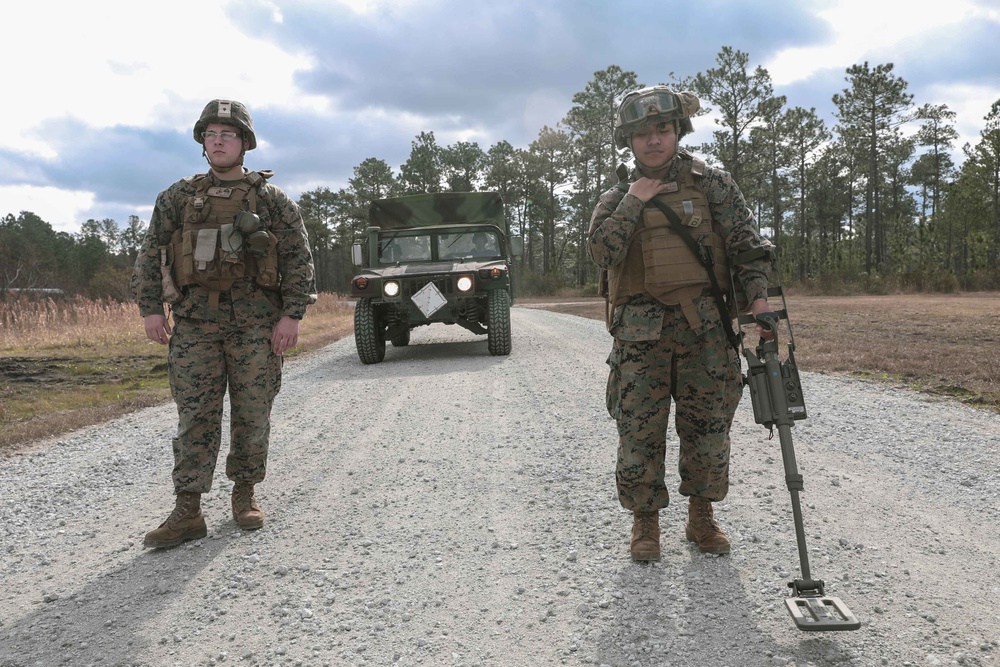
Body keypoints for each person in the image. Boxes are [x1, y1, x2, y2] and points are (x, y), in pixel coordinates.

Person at [588, 86, 774, 561]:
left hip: (705, 331)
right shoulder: (615, 197)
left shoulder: (713, 184)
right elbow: (602, 254)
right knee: (639, 433)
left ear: (678, 131)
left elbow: (748, 247)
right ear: (627, 140)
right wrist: (634, 201)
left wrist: (759, 303)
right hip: (639, 336)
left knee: (708, 429)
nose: (654, 140)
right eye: (643, 133)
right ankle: (645, 524)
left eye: (663, 129)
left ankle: (701, 518)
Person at [133, 99, 317, 549]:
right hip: (195, 324)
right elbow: (151, 253)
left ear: (245, 144)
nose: (218, 141)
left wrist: (291, 315)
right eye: (211, 134)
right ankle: (187, 510)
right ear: (202, 142)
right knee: (194, 417)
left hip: (255, 326)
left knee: (253, 414)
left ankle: (245, 494)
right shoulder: (177, 198)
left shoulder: (273, 202)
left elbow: (298, 262)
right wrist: (151, 308)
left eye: (228, 134)